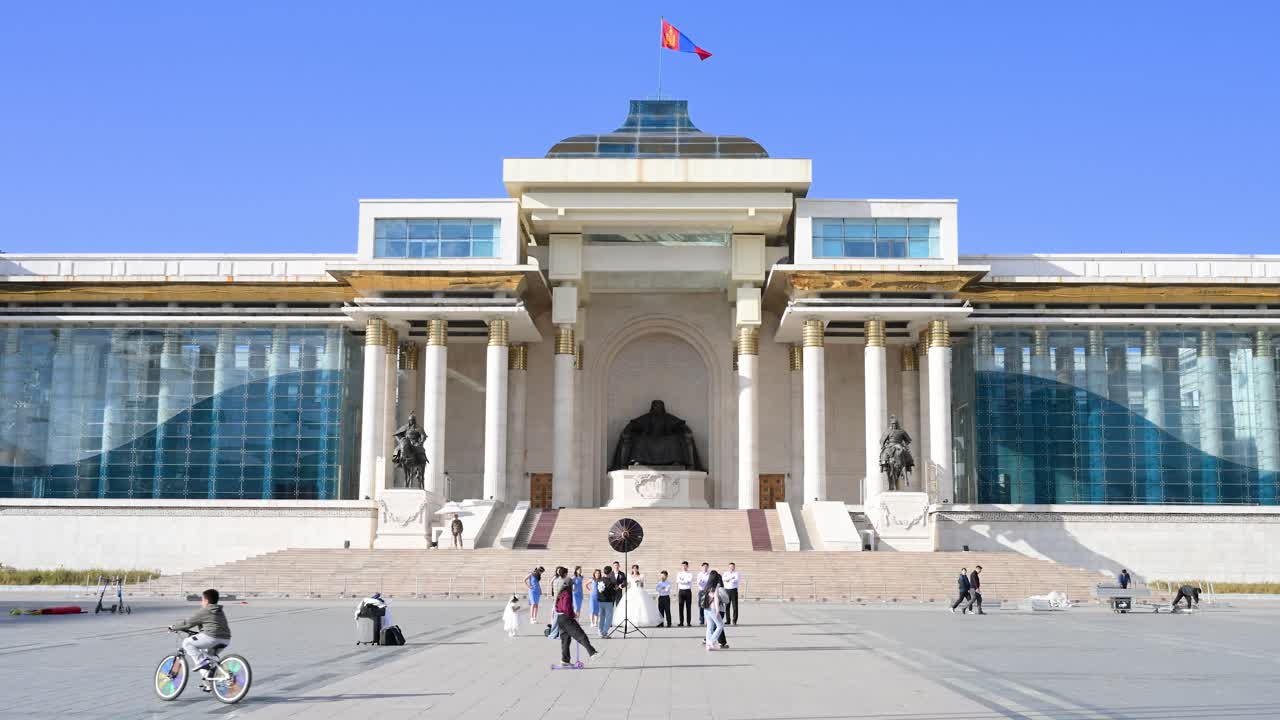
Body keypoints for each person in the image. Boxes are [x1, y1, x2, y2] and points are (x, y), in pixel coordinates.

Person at [169, 588, 231, 692]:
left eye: (202, 600)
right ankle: (209, 682)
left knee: (187, 643)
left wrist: (173, 627)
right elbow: (212, 625)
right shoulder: (220, 611)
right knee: (209, 656)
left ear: (206, 601)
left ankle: (202, 662)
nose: (201, 602)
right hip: (225, 639)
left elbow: (188, 623)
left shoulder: (205, 611)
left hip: (212, 637)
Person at [553, 578, 601, 667]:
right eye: (573, 585)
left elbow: (557, 606)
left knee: (565, 640)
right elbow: (566, 608)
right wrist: (573, 615)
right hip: (567, 619)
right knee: (581, 635)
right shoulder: (567, 594)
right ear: (570, 585)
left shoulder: (561, 593)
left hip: (560, 618)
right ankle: (592, 653)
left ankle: (565, 660)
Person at [616, 564, 659, 629]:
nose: (635, 569)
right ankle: (630, 620)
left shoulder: (641, 576)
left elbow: (642, 585)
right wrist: (621, 585)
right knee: (630, 606)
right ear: (632, 569)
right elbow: (627, 583)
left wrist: (639, 582)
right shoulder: (630, 576)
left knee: (640, 605)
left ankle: (640, 620)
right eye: (633, 568)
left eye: (636, 568)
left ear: (638, 569)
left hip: (639, 591)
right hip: (632, 591)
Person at [701, 570, 729, 651]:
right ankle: (711, 641)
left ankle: (708, 645)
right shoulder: (716, 587)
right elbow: (716, 599)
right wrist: (717, 610)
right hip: (713, 609)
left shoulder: (706, 587)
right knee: (720, 625)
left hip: (706, 609)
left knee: (710, 627)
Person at [547, 566, 569, 639]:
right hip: (562, 602)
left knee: (555, 619)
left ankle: (552, 634)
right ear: (565, 574)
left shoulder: (555, 580)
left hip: (556, 601)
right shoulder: (564, 582)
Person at [596, 566, 618, 638]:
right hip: (608, 602)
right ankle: (604, 632)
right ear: (610, 572)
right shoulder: (610, 582)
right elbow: (613, 593)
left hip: (600, 601)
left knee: (601, 617)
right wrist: (616, 589)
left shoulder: (599, 580)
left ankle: (600, 631)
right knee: (609, 618)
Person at [676, 561, 694, 627]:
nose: (683, 567)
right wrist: (684, 581)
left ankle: (688, 622)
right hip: (681, 591)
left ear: (687, 566)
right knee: (681, 607)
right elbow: (678, 581)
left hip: (688, 591)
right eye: (682, 566)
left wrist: (682, 581)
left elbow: (688, 581)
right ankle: (681, 622)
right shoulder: (679, 573)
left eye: (685, 566)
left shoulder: (690, 574)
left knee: (688, 607)